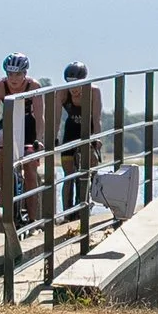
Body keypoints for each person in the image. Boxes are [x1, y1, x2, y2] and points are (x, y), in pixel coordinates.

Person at [0, 53, 44, 224]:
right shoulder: (0, 86)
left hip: (28, 125)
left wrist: (39, 140)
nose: (13, 79)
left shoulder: (33, 86)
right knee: (1, 145)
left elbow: (40, 117)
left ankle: (32, 219)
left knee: (31, 170)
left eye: (17, 74)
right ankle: (4, 188)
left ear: (25, 73)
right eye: (10, 74)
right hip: (9, 123)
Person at [56, 63, 103, 216]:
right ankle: (67, 213)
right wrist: (54, 137)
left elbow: (96, 119)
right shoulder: (63, 93)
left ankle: (85, 205)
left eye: (77, 85)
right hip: (71, 130)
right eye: (70, 85)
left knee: (88, 169)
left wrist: (97, 138)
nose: (73, 89)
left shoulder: (93, 92)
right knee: (68, 174)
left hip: (87, 129)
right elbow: (56, 119)